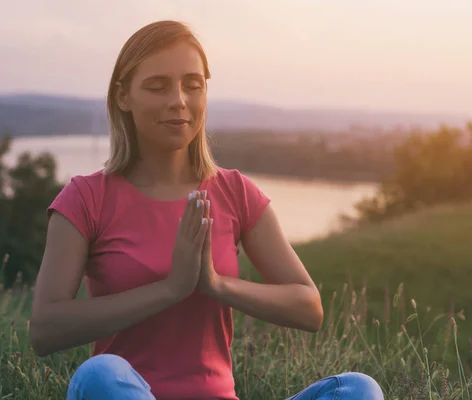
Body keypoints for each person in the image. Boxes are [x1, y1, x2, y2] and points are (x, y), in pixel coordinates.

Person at [29, 20, 384, 400]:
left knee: (357, 390)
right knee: (100, 373)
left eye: (192, 85)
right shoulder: (86, 198)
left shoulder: (234, 192)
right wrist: (170, 289)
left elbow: (308, 307)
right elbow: (46, 329)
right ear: (123, 96)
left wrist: (215, 284)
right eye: (157, 85)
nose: (179, 100)